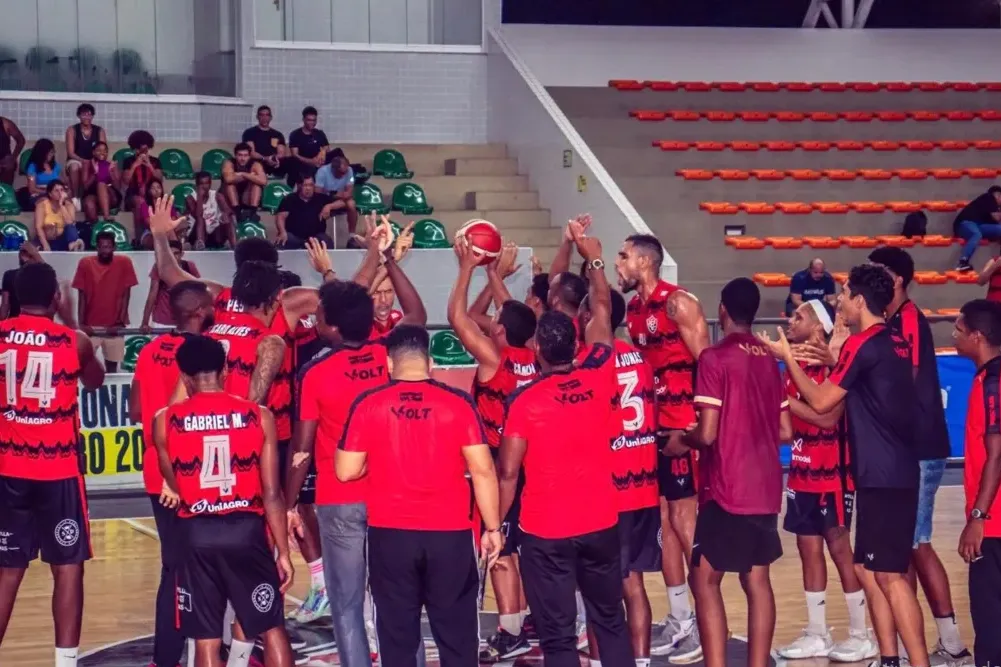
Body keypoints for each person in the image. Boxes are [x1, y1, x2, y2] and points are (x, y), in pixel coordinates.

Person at [764, 264, 930, 667]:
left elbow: (822, 404)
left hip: (881, 473)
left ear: (859, 300)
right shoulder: (892, 340)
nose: (839, 302)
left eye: (843, 295)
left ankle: (916, 660)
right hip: (893, 470)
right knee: (872, 569)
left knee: (887, 575)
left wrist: (788, 357)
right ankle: (888, 657)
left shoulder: (863, 343)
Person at [499, 227, 634, 667]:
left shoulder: (524, 402)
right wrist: (593, 258)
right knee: (610, 620)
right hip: (600, 523)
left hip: (546, 532)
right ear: (576, 345)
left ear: (536, 349)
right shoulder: (598, 373)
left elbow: (508, 473)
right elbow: (601, 310)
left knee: (558, 640)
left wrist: (495, 524)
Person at [287, 245, 427, 666]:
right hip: (393, 493)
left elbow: (301, 450)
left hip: (339, 496)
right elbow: (416, 312)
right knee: (398, 601)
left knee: (347, 605)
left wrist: (291, 503)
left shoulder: (315, 373)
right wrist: (389, 262)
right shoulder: (391, 354)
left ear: (329, 326)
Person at [336, 324, 503, 667]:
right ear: (428, 362)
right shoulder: (458, 404)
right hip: (450, 536)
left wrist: (377, 462)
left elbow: (346, 470)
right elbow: (484, 470)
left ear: (388, 363)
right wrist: (493, 527)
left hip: (390, 536)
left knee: (397, 637)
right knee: (457, 636)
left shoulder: (368, 404)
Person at [662, 277, 790, 667]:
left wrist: (682, 440)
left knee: (704, 580)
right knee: (756, 579)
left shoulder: (714, 359)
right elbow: (785, 431)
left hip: (727, 487)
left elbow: (709, 432)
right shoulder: (769, 359)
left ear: (722, 311)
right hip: (766, 485)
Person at [152, 335, 295, 667]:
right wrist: (284, 553)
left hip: (196, 535)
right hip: (246, 532)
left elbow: (176, 484)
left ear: (184, 376)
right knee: (271, 627)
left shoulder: (165, 421)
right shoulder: (258, 416)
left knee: (206, 642)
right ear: (226, 370)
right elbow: (272, 493)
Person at [868, 246, 971, 663]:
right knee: (909, 546)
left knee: (914, 544)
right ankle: (941, 643)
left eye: (876, 274)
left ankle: (949, 644)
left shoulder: (907, 320)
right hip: (909, 449)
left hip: (920, 449)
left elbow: (901, 381)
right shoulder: (894, 320)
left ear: (893, 280)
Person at [0, 262, 105, 667]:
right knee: (67, 567)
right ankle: (65, 663)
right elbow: (95, 380)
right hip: (57, 470)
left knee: (7, 569)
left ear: (11, 298)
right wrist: (72, 320)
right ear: (56, 299)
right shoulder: (72, 340)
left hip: (9, 467)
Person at [616, 232, 709, 660]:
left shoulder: (680, 303)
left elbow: (708, 366)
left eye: (623, 256)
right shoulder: (634, 309)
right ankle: (680, 618)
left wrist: (698, 425)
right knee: (664, 524)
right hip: (651, 431)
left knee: (685, 525)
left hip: (682, 430)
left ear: (644, 262)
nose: (619, 263)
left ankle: (706, 626)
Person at [769, 300, 875, 662]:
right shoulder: (792, 367)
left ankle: (862, 633)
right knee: (807, 550)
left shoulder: (836, 364)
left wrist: (779, 400)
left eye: (799, 316)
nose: (790, 320)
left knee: (840, 549)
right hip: (801, 471)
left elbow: (827, 419)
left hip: (832, 473)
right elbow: (790, 423)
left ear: (818, 327)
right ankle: (817, 632)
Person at [448, 238, 538, 661]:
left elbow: (458, 318)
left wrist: (467, 267)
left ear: (499, 330)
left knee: (498, 550)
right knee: (514, 549)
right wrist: (493, 274)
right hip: (530, 466)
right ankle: (520, 623)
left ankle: (510, 630)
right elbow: (486, 316)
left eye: (496, 321)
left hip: (499, 467)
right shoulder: (535, 356)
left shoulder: (493, 359)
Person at [129, 280, 216, 667]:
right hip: (195, 471)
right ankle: (209, 650)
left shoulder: (149, 350)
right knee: (207, 565)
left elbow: (134, 411)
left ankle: (166, 657)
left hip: (155, 469)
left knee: (173, 566)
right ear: (199, 311)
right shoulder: (206, 355)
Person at [578, 287, 661, 667]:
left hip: (611, 490)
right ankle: (641, 661)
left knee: (600, 590)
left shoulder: (591, 361)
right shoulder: (641, 360)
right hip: (644, 486)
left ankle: (600, 662)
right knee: (634, 585)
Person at [952, 299, 1001, 667]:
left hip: (994, 524)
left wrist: (978, 517)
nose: (954, 334)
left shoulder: (994, 384)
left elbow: (997, 455)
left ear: (978, 336)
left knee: (989, 614)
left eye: (959, 328)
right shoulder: (986, 378)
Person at [71, 230, 139, 372]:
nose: (105, 250)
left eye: (108, 246)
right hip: (90, 326)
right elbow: (81, 295)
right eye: (102, 246)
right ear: (97, 247)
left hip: (114, 327)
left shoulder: (125, 262)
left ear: (114, 247)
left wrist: (119, 322)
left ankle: (111, 395)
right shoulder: (85, 263)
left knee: (112, 368)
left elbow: (127, 294)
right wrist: (81, 324)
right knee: (82, 365)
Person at [141, 240, 201, 330]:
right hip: (161, 321)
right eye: (170, 254)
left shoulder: (189, 266)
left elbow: (199, 293)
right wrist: (145, 323)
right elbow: (152, 295)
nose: (173, 257)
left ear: (182, 254)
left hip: (184, 321)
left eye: (176, 253)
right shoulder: (158, 267)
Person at [275, 173, 338, 249]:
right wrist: (282, 232)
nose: (308, 188)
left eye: (311, 185)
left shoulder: (321, 198)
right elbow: (280, 217)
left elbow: (344, 202)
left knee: (326, 241)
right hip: (294, 237)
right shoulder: (289, 199)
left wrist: (329, 206)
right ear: (299, 186)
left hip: (315, 237)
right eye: (305, 185)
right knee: (282, 240)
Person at [64, 103, 107, 202]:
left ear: (92, 116)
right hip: (76, 159)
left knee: (105, 167)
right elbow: (71, 153)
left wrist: (93, 161)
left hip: (94, 160)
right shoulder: (72, 130)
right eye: (84, 114)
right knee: (74, 166)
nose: (87, 117)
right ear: (79, 116)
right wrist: (83, 161)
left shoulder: (99, 130)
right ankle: (76, 198)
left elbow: (103, 151)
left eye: (89, 114)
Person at [185, 171, 236, 250]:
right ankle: (200, 244)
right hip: (196, 234)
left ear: (210, 184)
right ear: (197, 185)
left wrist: (225, 214)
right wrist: (200, 198)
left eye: (207, 183)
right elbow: (198, 215)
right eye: (202, 184)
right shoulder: (190, 198)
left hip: (215, 233)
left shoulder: (217, 196)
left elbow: (228, 211)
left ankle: (235, 246)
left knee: (228, 218)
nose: (205, 186)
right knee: (201, 219)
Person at [955, 185, 1001, 272]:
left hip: (979, 226)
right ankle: (962, 262)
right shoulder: (989, 197)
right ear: (997, 195)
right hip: (965, 223)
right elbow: (997, 217)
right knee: (976, 234)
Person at [121, 130, 163, 223]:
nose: (143, 152)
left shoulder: (155, 161)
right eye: (141, 149)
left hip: (151, 193)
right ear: (135, 149)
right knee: (139, 202)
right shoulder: (128, 161)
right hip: (133, 195)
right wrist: (135, 164)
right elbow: (126, 181)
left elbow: (159, 179)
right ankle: (140, 235)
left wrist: (149, 165)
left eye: (146, 149)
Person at [315, 154, 359, 235]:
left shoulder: (349, 170)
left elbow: (349, 192)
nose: (343, 175)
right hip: (325, 198)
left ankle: (352, 235)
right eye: (341, 173)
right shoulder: (322, 172)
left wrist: (331, 205)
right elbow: (317, 193)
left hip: (341, 199)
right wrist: (334, 194)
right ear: (333, 169)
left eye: (345, 173)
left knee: (351, 204)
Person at [242, 105, 289, 178]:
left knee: (291, 161)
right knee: (254, 162)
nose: (264, 118)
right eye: (262, 115)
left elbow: (281, 153)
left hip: (274, 162)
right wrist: (265, 159)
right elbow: (251, 152)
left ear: (271, 117)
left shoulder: (277, 134)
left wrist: (273, 159)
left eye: (267, 115)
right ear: (257, 117)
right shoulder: (249, 133)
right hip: (258, 162)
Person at [80, 141, 121, 227]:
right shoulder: (87, 164)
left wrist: (111, 172)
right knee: (89, 204)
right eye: (99, 150)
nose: (102, 153)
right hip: (92, 193)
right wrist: (95, 173)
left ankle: (106, 216)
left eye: (105, 151)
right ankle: (97, 228)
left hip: (110, 195)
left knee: (101, 184)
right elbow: (85, 186)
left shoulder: (112, 164)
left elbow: (118, 187)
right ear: (93, 152)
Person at [34, 181, 83, 251]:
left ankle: (73, 246)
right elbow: (38, 227)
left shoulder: (69, 205)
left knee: (70, 227)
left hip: (62, 240)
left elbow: (70, 223)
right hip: (45, 239)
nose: (60, 193)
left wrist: (61, 204)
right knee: (33, 247)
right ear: (50, 194)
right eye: (56, 191)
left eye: (62, 190)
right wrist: (45, 244)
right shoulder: (42, 205)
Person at [222, 143, 266, 218]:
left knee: (257, 185)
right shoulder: (229, 163)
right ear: (235, 155)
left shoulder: (255, 164)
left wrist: (243, 174)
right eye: (240, 155)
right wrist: (251, 176)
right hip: (232, 198)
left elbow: (263, 181)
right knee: (230, 185)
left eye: (245, 155)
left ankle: (253, 212)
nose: (242, 158)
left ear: (249, 156)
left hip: (247, 196)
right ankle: (237, 213)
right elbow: (228, 179)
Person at [288, 106, 329, 186]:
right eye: (309, 120)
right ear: (304, 120)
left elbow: (326, 149)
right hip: (303, 163)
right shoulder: (295, 134)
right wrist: (311, 161)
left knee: (338, 152)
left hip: (319, 161)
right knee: (293, 162)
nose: (312, 123)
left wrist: (321, 157)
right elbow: (295, 154)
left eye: (314, 120)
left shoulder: (319, 133)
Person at [19, 138, 64, 211]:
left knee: (67, 201)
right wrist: (50, 192)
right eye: (50, 152)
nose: (52, 155)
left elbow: (64, 183)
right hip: (40, 194)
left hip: (57, 193)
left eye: (53, 152)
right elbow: (32, 189)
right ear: (42, 153)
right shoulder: (32, 167)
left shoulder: (56, 166)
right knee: (45, 202)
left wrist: (63, 191)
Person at [0, 115, 25, 185]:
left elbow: (21, 140)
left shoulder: (6, 123)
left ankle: (7, 192)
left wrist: (13, 157)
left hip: (5, 160)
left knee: (8, 165)